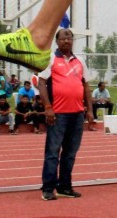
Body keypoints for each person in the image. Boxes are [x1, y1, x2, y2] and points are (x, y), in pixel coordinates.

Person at [38, 28, 95, 200]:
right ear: (57, 41)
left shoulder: (80, 61)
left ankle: (65, 186)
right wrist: (48, 107)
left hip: (77, 114)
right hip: (58, 114)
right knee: (53, 152)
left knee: (70, 153)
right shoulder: (50, 59)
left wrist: (90, 110)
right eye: (63, 38)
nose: (66, 41)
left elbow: (86, 86)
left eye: (69, 38)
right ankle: (48, 188)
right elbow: (41, 83)